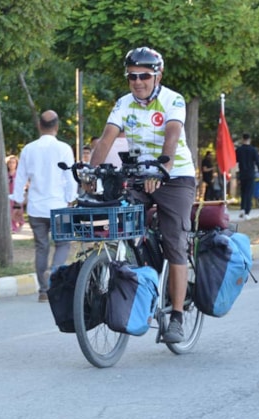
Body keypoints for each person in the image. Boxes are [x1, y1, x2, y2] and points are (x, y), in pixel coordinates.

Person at [90, 47, 195, 343]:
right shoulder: (123, 104)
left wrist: (160, 170)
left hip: (174, 176)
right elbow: (106, 138)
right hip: (137, 174)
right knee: (118, 216)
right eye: (132, 76)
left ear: (157, 76)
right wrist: (90, 171)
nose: (138, 81)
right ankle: (142, 272)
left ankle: (175, 317)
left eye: (144, 76)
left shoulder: (172, 100)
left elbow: (172, 135)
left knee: (175, 241)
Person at [10, 110, 77, 303]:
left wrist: (17, 204)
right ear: (57, 127)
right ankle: (54, 272)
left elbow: (20, 178)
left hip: (36, 207)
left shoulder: (29, 149)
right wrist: (71, 199)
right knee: (63, 244)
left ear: (40, 126)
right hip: (59, 206)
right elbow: (70, 177)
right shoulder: (64, 149)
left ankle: (43, 290)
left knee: (41, 247)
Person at [236, 133, 259, 220]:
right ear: (249, 139)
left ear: (242, 139)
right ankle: (247, 212)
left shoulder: (239, 150)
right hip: (250, 174)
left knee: (243, 192)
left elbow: (235, 160)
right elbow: (258, 163)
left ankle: (242, 209)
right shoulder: (253, 150)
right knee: (249, 193)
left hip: (242, 173)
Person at [6, 155, 25, 233]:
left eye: (13, 162)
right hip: (9, 195)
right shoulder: (6, 174)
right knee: (10, 211)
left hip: (17, 194)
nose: (11, 164)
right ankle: (13, 227)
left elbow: (24, 183)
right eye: (10, 163)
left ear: (16, 164)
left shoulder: (19, 174)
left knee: (17, 211)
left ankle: (21, 222)